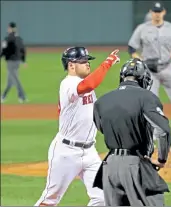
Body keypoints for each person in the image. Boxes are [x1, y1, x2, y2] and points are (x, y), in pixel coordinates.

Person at [34, 47, 120, 206]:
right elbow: (89, 85)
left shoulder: (82, 83)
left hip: (89, 152)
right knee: (50, 200)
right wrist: (107, 63)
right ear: (71, 65)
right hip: (66, 152)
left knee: (104, 197)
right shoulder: (68, 84)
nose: (88, 64)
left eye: (88, 61)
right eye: (83, 61)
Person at [93, 58, 171, 206]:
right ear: (143, 79)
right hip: (135, 164)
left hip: (109, 167)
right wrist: (161, 160)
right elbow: (163, 131)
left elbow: (101, 127)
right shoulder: (147, 97)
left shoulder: (101, 101)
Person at [127, 1, 171, 147]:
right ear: (151, 12)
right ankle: (154, 136)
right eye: (154, 11)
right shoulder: (142, 29)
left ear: (163, 12)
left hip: (168, 68)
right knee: (152, 104)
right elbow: (132, 48)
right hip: (150, 72)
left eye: (159, 11)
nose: (157, 14)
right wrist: (139, 60)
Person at [1, 22, 28, 103]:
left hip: (10, 62)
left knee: (15, 79)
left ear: (10, 28)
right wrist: (23, 61)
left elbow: (3, 50)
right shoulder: (19, 39)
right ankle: (4, 96)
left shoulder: (7, 39)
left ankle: (22, 96)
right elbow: (23, 50)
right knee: (10, 80)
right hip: (17, 62)